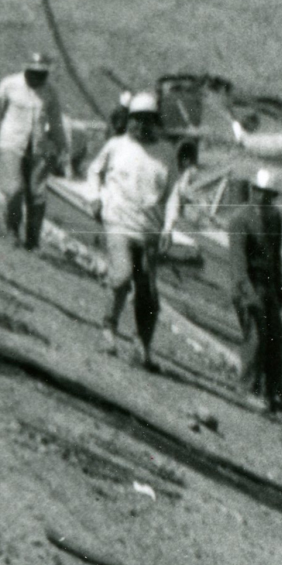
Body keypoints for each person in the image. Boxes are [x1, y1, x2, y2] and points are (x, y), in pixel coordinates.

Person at [86, 92, 179, 371]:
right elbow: (94, 171)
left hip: (149, 229)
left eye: (147, 121)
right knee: (122, 275)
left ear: (155, 122)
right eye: (136, 120)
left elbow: (174, 193)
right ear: (129, 121)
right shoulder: (117, 146)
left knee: (148, 293)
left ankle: (142, 347)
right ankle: (108, 329)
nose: (140, 126)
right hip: (118, 221)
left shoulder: (166, 154)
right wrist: (94, 197)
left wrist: (169, 227)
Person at [0, 52, 67, 250]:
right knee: (15, 190)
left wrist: (61, 148)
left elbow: (56, 122)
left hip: (38, 148)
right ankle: (13, 229)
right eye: (34, 72)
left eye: (42, 73)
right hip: (11, 144)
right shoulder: (10, 84)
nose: (38, 77)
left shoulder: (50, 91)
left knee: (38, 195)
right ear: (26, 70)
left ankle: (32, 240)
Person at [228, 168, 282, 412]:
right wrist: (249, 295)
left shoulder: (274, 218)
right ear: (252, 190)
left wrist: (280, 288)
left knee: (276, 337)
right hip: (247, 285)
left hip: (267, 285)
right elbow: (238, 263)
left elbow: (275, 258)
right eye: (258, 192)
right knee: (255, 339)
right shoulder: (239, 220)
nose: (262, 198)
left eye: (268, 194)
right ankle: (247, 388)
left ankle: (273, 390)